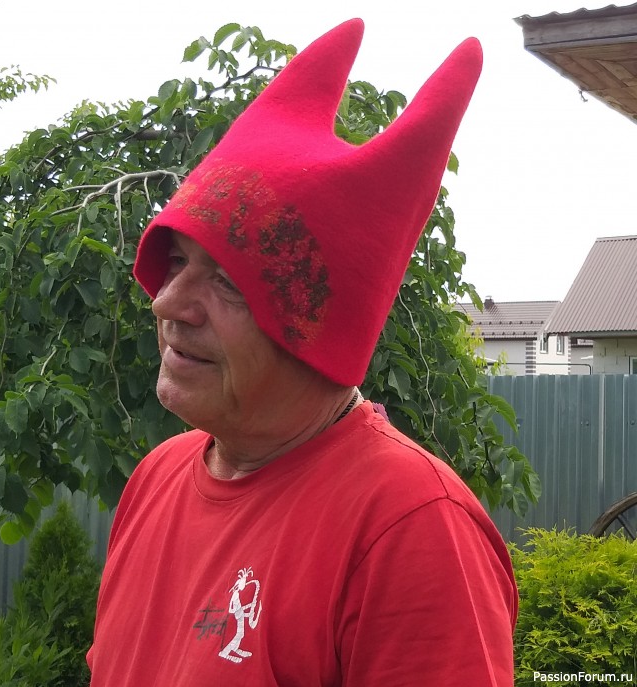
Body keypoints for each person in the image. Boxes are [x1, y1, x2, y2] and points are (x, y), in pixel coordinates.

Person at [86, 18, 517, 686]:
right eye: (176, 260)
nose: (167, 302)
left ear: (318, 328)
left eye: (228, 280)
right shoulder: (155, 479)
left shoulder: (411, 528)